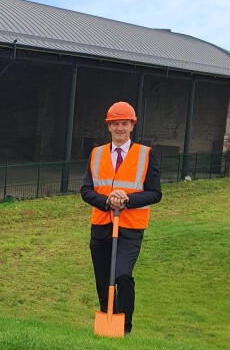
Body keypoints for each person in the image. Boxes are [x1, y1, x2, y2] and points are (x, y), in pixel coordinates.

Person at [81, 101, 162, 335]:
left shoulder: (146, 154)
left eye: (124, 123)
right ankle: (109, 325)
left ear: (132, 125)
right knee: (103, 280)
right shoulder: (96, 154)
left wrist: (126, 199)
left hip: (130, 227)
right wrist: (107, 201)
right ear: (108, 127)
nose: (119, 128)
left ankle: (125, 328)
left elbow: (155, 193)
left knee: (123, 275)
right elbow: (86, 190)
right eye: (115, 124)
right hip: (101, 225)